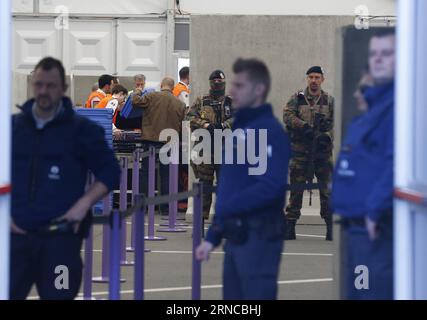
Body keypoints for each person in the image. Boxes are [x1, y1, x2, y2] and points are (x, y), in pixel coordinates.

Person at [10, 57, 121, 300]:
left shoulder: (82, 131)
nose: (43, 91)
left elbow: (111, 171)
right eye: (39, 84)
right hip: (15, 242)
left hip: (60, 244)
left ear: (63, 89)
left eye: (50, 86)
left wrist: (82, 206)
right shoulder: (13, 128)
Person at [196, 58, 291, 300]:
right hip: (235, 238)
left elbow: (271, 186)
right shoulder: (240, 131)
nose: (231, 91)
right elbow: (228, 186)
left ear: (258, 90)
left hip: (260, 237)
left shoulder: (270, 131)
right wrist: (213, 236)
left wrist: (230, 207)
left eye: (239, 86)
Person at [331, 29, 395, 300]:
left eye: (387, 54)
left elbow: (397, 163)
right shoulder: (368, 115)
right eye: (374, 55)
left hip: (375, 230)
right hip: (354, 229)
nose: (378, 59)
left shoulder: (396, 110)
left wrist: (373, 209)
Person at [283, 66, 335, 240]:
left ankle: (330, 226)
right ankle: (290, 225)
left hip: (322, 152)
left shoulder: (329, 100)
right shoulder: (297, 99)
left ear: (322, 80)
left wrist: (325, 137)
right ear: (307, 79)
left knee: (326, 190)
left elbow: (336, 122)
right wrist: (303, 126)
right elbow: (287, 116)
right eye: (311, 77)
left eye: (317, 77)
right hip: (300, 152)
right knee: (296, 189)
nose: (314, 80)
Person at [132, 76, 186, 215]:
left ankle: (142, 207)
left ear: (161, 85)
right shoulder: (179, 104)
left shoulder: (152, 96)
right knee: (166, 175)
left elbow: (135, 101)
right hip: (168, 142)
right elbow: (182, 124)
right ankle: (165, 208)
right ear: (173, 88)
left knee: (146, 173)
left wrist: (137, 90)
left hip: (149, 140)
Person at [186, 70, 233, 220]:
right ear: (210, 83)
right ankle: (200, 220)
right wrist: (205, 125)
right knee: (204, 186)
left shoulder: (231, 102)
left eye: (220, 81)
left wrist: (225, 125)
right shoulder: (202, 101)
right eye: (214, 81)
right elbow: (190, 117)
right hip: (205, 150)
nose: (217, 84)